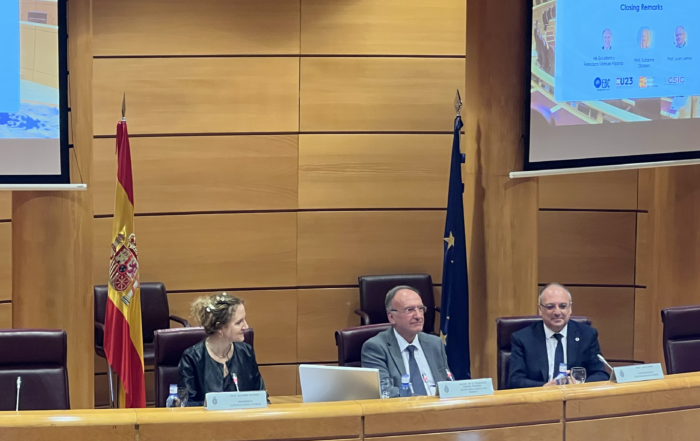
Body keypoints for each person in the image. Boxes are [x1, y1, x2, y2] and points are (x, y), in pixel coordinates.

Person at [507, 283, 609, 389]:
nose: (557, 312)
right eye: (550, 307)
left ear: (570, 308)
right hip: (541, 397)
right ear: (540, 310)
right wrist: (544, 388)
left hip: (575, 396)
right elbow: (515, 381)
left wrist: (578, 385)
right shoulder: (523, 338)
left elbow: (601, 375)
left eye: (563, 306)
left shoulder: (587, 335)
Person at [361, 286, 454, 397]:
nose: (418, 316)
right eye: (409, 310)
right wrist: (426, 402)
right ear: (391, 317)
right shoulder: (376, 348)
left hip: (439, 406)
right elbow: (385, 392)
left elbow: (448, 383)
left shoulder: (435, 343)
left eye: (420, 309)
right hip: (404, 407)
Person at [178, 293, 265, 406]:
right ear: (220, 328)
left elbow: (261, 397)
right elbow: (187, 405)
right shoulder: (192, 357)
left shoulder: (246, 352)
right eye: (239, 322)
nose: (246, 326)